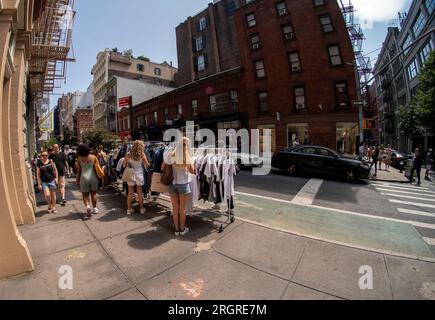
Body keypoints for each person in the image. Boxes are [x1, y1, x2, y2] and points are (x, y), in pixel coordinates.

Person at [164, 137, 195, 236]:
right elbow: (192, 171)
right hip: (183, 184)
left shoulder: (171, 154)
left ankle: (176, 230)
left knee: (175, 208)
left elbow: (162, 167)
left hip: (173, 184)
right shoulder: (186, 156)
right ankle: (182, 229)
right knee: (182, 209)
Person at [122, 140, 150, 216]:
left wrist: (128, 163)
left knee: (130, 193)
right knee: (139, 193)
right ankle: (141, 209)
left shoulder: (128, 154)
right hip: (139, 174)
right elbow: (147, 165)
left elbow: (124, 165)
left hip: (131, 174)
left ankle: (129, 210)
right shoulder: (142, 154)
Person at [76, 144, 101, 218]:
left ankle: (88, 206)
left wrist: (77, 180)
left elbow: (78, 171)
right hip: (93, 178)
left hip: (83, 178)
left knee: (85, 195)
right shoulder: (93, 157)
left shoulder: (79, 159)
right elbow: (98, 168)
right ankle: (95, 208)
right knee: (94, 194)